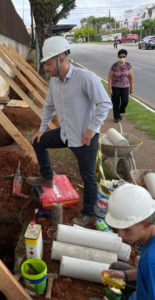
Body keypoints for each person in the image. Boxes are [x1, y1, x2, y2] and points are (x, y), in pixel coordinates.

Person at [26, 36, 112, 227]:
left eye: (48, 64)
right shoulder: (54, 82)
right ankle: (47, 177)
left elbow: (105, 103)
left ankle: (87, 213)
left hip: (84, 139)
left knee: (88, 177)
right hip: (65, 134)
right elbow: (48, 107)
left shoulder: (85, 78)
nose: (46, 68)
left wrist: (92, 129)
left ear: (61, 60)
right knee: (38, 143)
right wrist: (41, 130)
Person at [100, 184, 155, 300]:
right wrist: (123, 275)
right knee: (115, 267)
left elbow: (149, 268)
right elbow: (145, 273)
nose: (120, 234)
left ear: (144, 224)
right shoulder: (149, 236)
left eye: (126, 229)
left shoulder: (149, 260)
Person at [108, 49, 134, 123]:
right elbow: (110, 77)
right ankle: (116, 117)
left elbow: (131, 77)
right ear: (118, 56)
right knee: (115, 102)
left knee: (125, 101)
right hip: (115, 86)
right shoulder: (114, 66)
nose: (122, 58)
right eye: (120, 56)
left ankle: (121, 111)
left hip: (125, 86)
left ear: (126, 56)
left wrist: (132, 88)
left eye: (124, 56)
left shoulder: (128, 65)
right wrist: (110, 88)